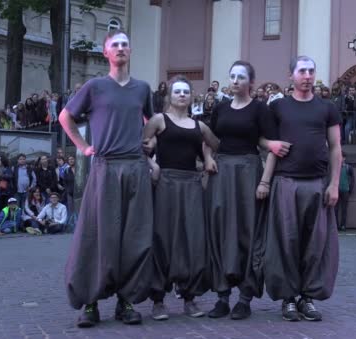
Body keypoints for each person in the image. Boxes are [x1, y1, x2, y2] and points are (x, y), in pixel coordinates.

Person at [60, 29, 154, 328]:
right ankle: (90, 303)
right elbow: (65, 117)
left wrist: (151, 150)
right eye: (116, 45)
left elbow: (153, 123)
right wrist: (84, 147)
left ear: (130, 51)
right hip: (105, 167)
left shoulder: (143, 88)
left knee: (134, 236)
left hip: (136, 168)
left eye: (126, 44)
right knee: (96, 235)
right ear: (106, 53)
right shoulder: (95, 86)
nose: (122, 48)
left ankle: (126, 301)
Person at [205, 61, 290, 320]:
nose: (235, 81)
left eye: (241, 77)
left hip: (249, 172)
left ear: (251, 82)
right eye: (232, 76)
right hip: (222, 173)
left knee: (248, 232)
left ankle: (244, 298)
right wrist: (208, 157)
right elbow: (211, 138)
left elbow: (272, 148)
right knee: (220, 229)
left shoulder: (261, 109)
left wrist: (264, 181)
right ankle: (221, 296)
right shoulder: (220, 108)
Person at [264, 55, 342, 322]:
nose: (307, 76)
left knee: (315, 245)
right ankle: (287, 299)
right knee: (286, 242)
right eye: (302, 71)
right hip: (285, 182)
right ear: (291, 76)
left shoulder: (327, 108)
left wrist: (333, 184)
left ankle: (307, 298)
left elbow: (336, 148)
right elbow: (261, 135)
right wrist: (270, 145)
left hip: (317, 184)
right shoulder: (278, 107)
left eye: (311, 71)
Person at [143, 75, 220, 320]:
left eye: (186, 91)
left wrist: (207, 157)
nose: (182, 94)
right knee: (163, 238)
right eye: (177, 91)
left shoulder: (199, 126)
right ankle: (157, 300)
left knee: (192, 240)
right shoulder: (158, 120)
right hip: (165, 182)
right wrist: (152, 164)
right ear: (170, 95)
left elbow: (216, 144)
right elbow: (142, 146)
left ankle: (189, 297)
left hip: (191, 184)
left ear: (191, 96)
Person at [335, 152, 354, 231]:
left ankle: (343, 225)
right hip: (336, 191)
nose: (340, 159)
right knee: (335, 209)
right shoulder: (335, 167)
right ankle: (336, 225)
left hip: (345, 190)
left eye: (342, 157)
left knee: (344, 209)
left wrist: (350, 189)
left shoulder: (348, 168)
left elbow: (352, 179)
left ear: (344, 158)